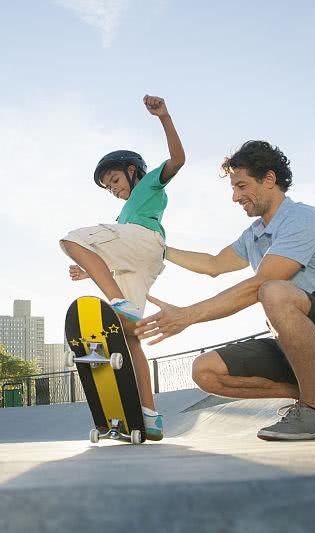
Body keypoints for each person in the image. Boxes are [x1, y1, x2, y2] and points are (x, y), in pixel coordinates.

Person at [134, 140, 315, 441]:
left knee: (272, 290)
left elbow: (260, 285)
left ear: (269, 179)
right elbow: (214, 264)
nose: (235, 197)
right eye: (234, 188)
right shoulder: (254, 234)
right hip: (292, 345)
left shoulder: (302, 219)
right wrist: (159, 249)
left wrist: (187, 316)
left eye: (242, 186)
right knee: (205, 371)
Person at [60, 95, 185, 441]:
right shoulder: (122, 217)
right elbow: (119, 254)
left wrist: (164, 117)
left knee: (71, 240)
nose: (114, 190)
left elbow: (178, 159)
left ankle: (118, 302)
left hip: (145, 241)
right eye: (108, 187)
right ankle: (150, 416)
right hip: (143, 261)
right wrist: (88, 271)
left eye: (114, 181)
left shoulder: (148, 184)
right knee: (130, 338)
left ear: (131, 171)